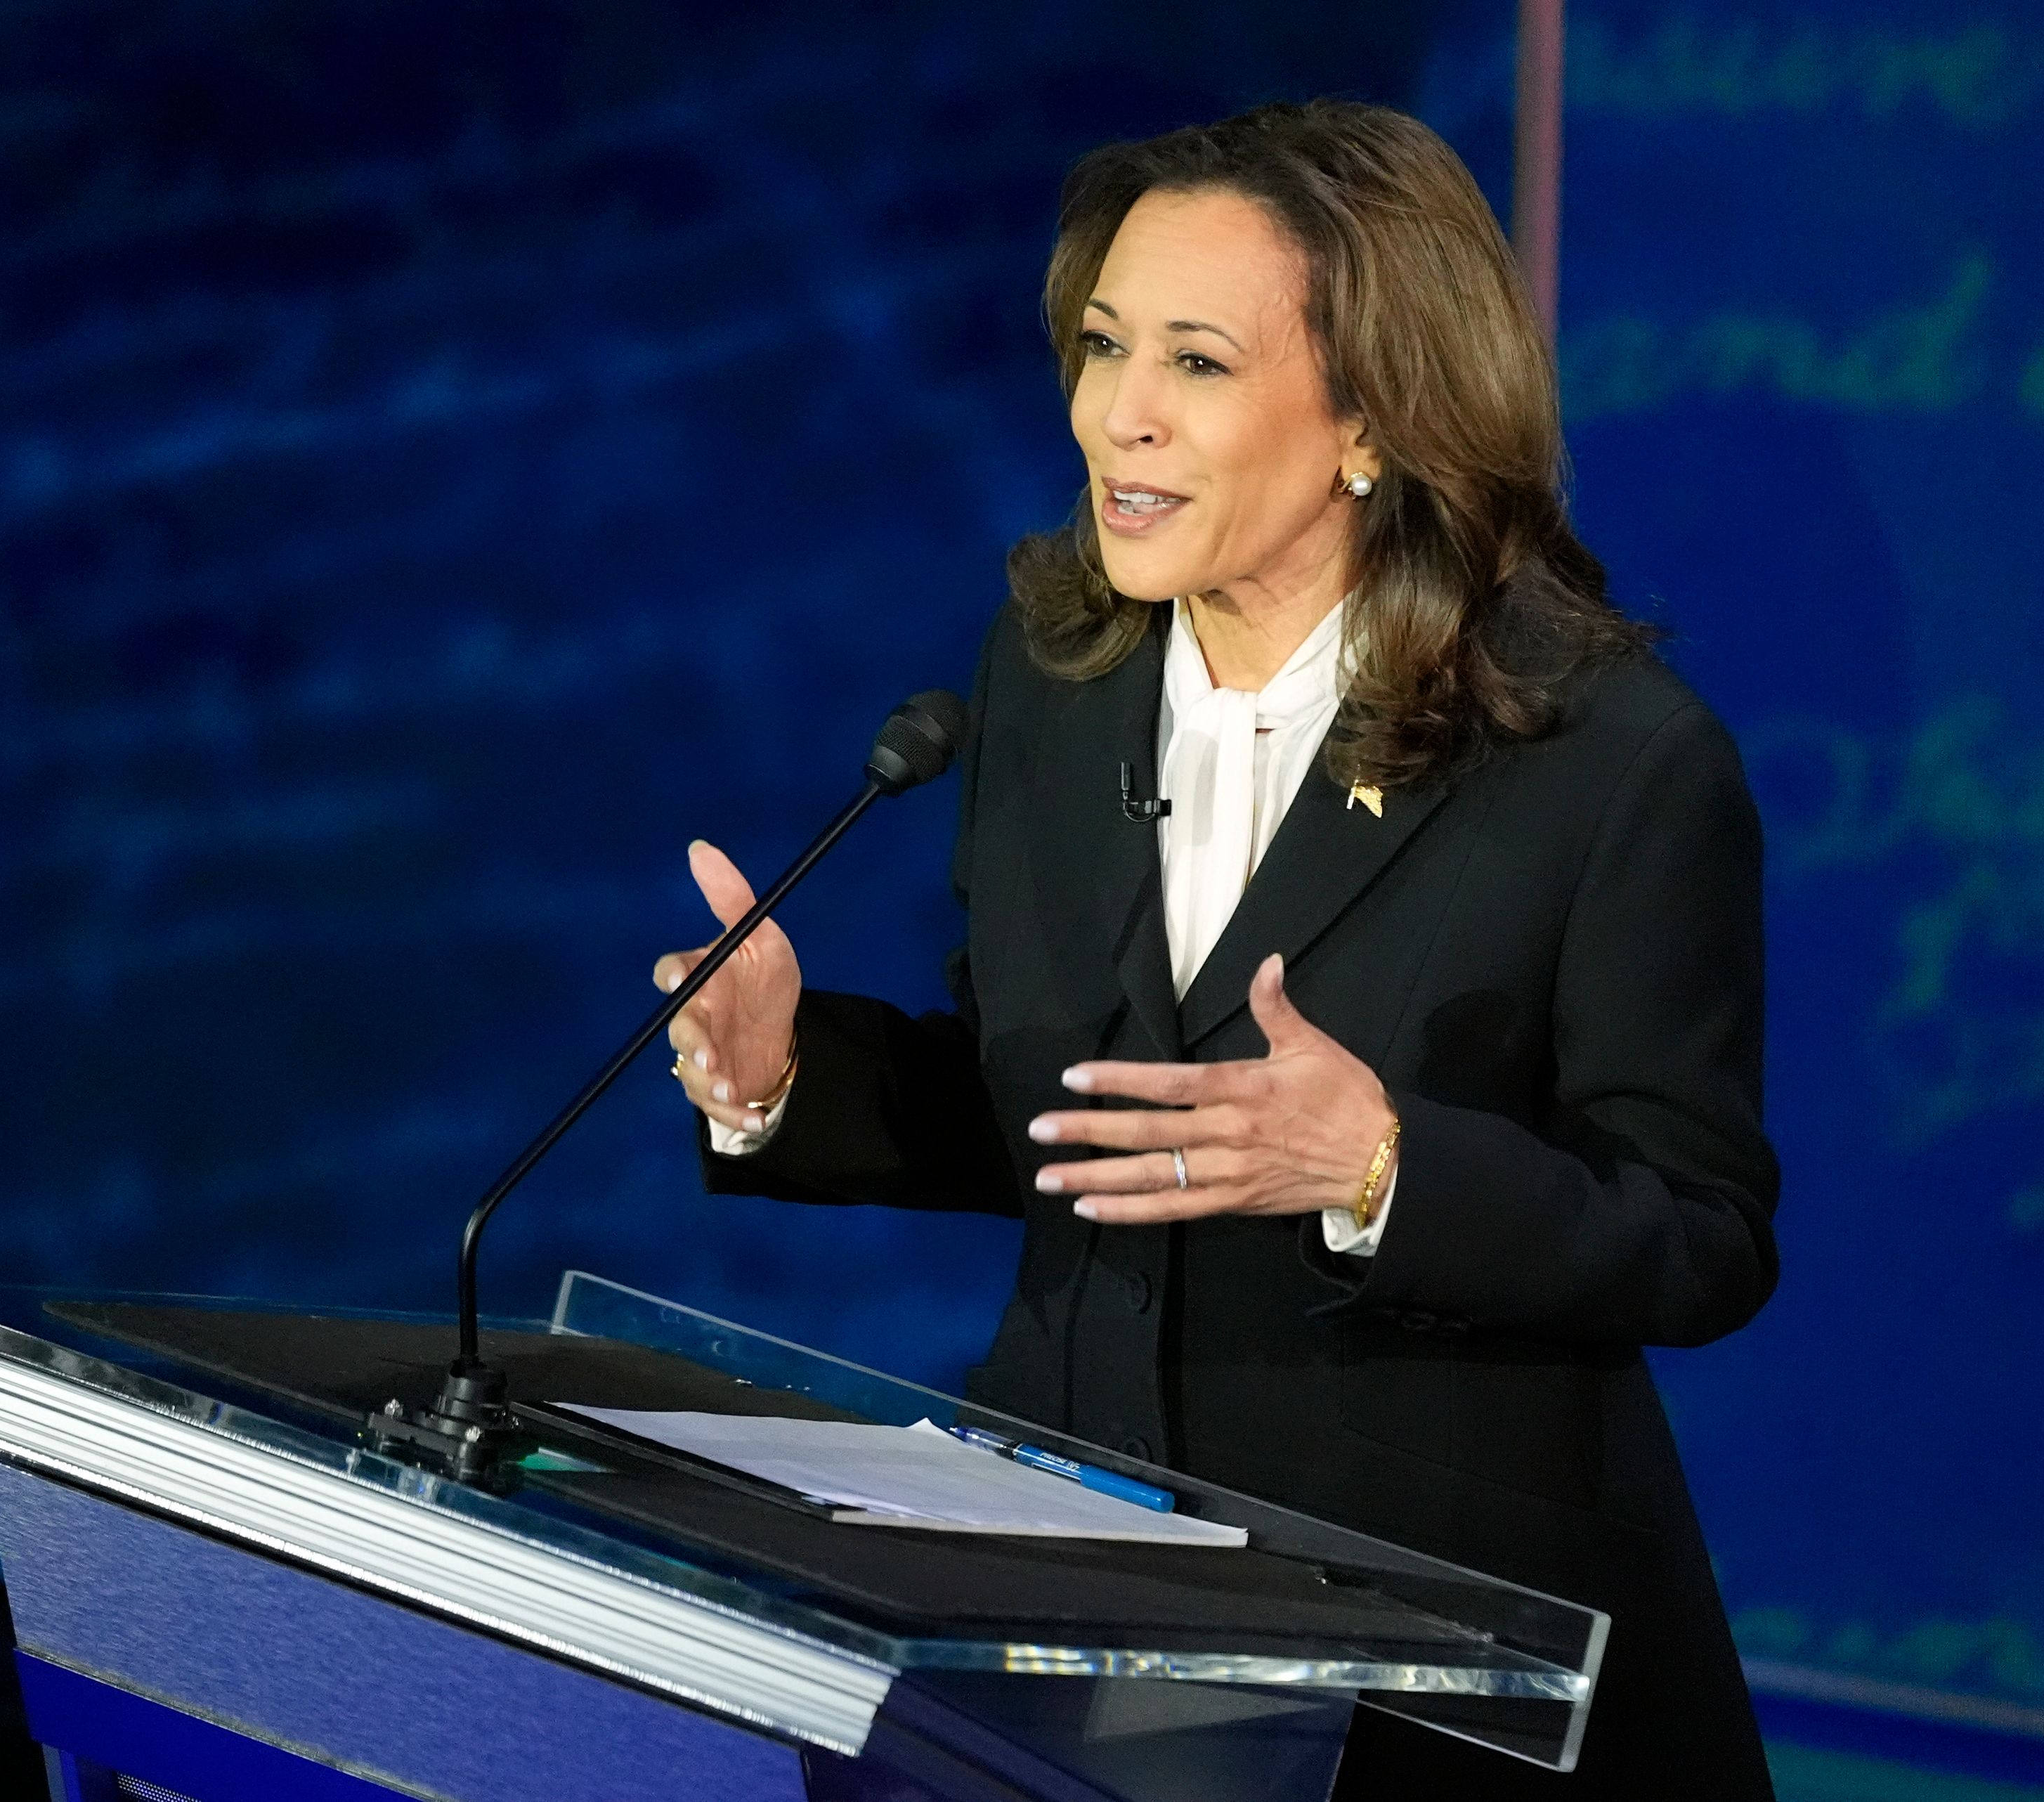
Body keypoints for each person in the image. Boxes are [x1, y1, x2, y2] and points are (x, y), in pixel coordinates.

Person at [654, 101, 1778, 1799]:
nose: (1121, 413)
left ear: (1372, 422)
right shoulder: (1055, 676)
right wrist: (792, 1075)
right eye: (1104, 344)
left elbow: (1701, 1235)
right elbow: (1076, 1117)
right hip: (1068, 1615)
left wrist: (1384, 1166)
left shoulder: (1605, 758)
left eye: (1196, 360)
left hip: (1431, 1666)